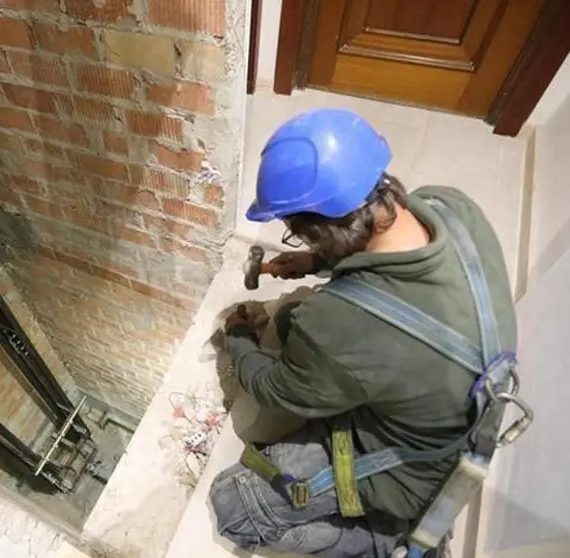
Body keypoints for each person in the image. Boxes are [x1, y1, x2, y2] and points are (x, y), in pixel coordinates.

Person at [210, 109, 517, 557]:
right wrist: (318, 262)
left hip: (407, 470)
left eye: (302, 237)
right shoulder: (451, 206)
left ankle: (381, 539)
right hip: (449, 406)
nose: (302, 245)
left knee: (233, 505)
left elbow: (274, 388)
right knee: (293, 317)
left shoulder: (339, 326)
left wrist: (237, 339)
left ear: (319, 228)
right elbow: (389, 256)